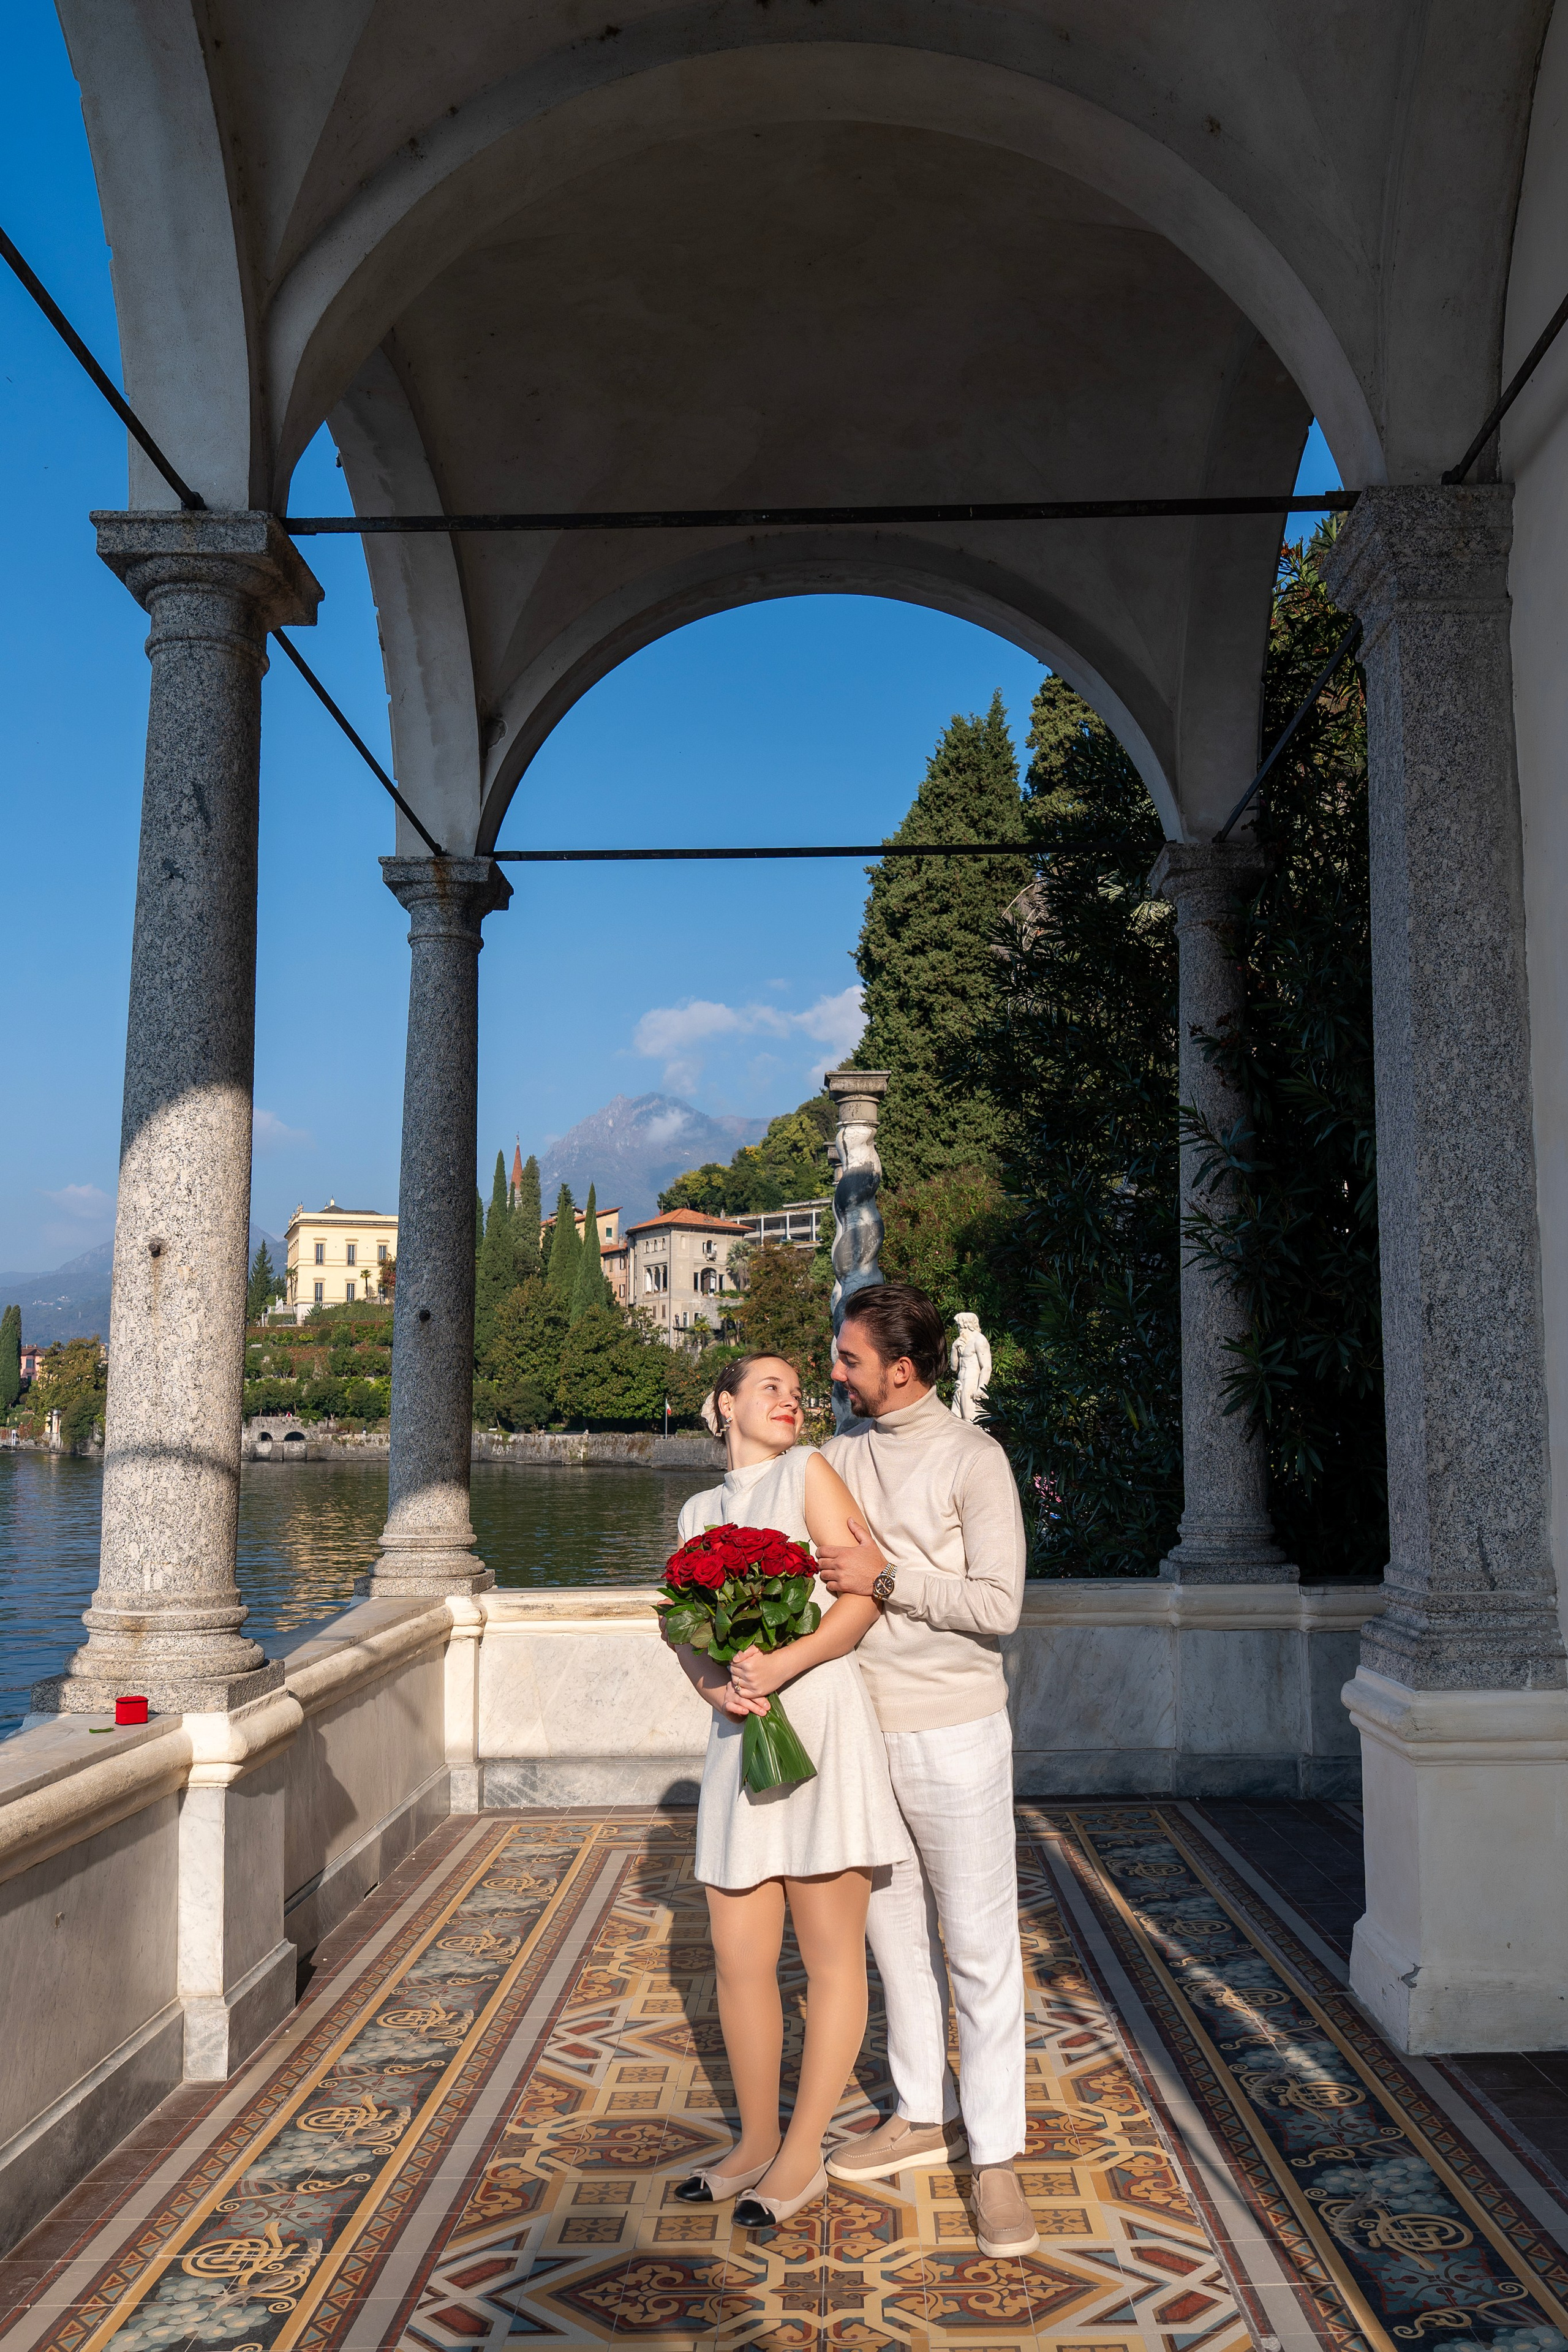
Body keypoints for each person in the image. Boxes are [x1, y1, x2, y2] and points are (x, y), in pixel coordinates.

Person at [754, 1281, 1035, 2258]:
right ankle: (922, 2110)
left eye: (848, 1360)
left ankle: (994, 2156)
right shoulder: (837, 1459)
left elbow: (999, 1605)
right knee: (894, 1937)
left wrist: (885, 1579)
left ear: (903, 1369)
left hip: (956, 1730)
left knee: (979, 1946)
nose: (833, 1373)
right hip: (858, 1736)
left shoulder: (974, 1459)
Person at [664, 1352, 910, 2228]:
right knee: (738, 1957)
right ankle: (754, 2143)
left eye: (797, 1390)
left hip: (820, 1718)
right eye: (768, 1386)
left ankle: (802, 2156)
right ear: (723, 1404)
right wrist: (715, 1688)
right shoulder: (698, 1512)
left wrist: (784, 1662)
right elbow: (682, 1626)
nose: (790, 1398)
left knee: (832, 1955)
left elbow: (863, 1595)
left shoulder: (809, 1471)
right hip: (741, 1733)